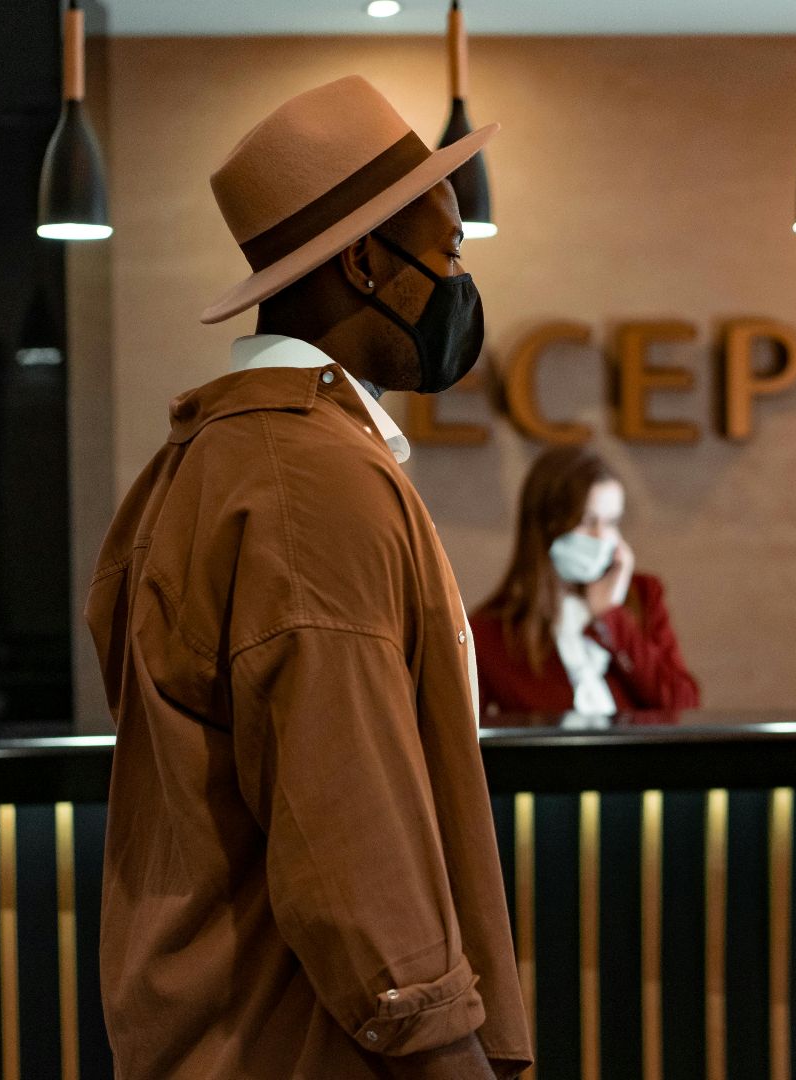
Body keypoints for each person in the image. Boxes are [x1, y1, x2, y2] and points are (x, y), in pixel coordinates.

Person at [85, 76, 530, 1079]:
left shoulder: (220, 456)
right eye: (447, 250)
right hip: (300, 1049)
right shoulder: (308, 484)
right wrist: (448, 1054)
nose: (460, 284)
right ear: (367, 262)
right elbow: (350, 831)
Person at [472, 446, 699, 717]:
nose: (602, 537)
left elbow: (683, 705)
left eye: (612, 522)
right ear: (547, 525)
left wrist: (611, 617)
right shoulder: (490, 631)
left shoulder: (643, 594)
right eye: (587, 521)